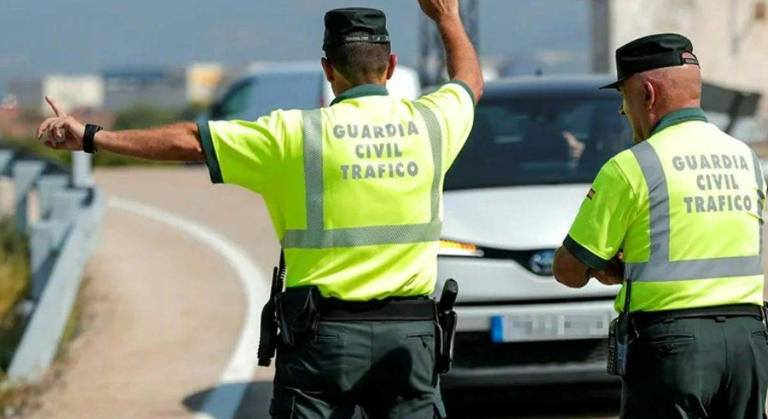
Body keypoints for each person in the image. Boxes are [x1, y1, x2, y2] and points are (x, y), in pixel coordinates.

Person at [37, 1, 482, 417]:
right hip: (409, 338)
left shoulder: (293, 135)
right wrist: (447, 18)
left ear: (328, 70)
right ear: (391, 66)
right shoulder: (432, 123)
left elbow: (192, 141)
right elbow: (468, 83)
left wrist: (92, 137)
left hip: (322, 340)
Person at [552, 33, 768, 418]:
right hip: (748, 343)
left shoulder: (632, 166)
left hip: (674, 348)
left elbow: (569, 271)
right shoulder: (746, 159)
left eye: (624, 97)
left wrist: (613, 268)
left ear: (647, 94)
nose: (623, 111)